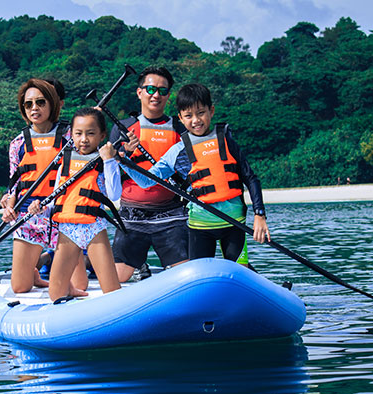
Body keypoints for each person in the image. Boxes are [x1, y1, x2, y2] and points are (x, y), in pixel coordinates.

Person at [114, 83, 270, 263]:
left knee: (241, 269)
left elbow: (250, 178)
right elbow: (146, 181)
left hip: (233, 224)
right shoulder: (178, 151)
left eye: (201, 113)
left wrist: (259, 215)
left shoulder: (226, 139)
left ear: (211, 111)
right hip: (199, 228)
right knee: (200, 275)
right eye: (188, 116)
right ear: (180, 118)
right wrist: (123, 161)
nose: (195, 120)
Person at [1, 78, 86, 294]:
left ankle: (53, 260)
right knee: (20, 287)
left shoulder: (71, 136)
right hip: (28, 214)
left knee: (79, 286)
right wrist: (9, 206)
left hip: (64, 214)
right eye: (28, 104)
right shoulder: (18, 143)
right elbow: (14, 183)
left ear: (52, 104)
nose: (34, 108)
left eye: (40, 102)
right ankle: (35, 274)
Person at [29, 108, 122, 301]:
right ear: (71, 135)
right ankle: (69, 297)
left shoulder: (105, 161)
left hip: (94, 229)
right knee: (55, 294)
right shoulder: (66, 160)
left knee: (112, 290)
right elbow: (56, 200)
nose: (84, 139)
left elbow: (114, 194)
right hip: (67, 232)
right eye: (78, 134)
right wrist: (39, 208)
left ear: (102, 135)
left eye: (91, 133)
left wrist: (109, 160)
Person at [109, 66, 189, 282]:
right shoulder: (123, 128)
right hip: (132, 215)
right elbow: (109, 172)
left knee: (183, 276)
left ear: (169, 96)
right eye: (151, 89)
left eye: (162, 91)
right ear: (139, 92)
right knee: (118, 278)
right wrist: (126, 152)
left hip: (171, 215)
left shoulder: (180, 128)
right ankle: (107, 260)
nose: (156, 95)